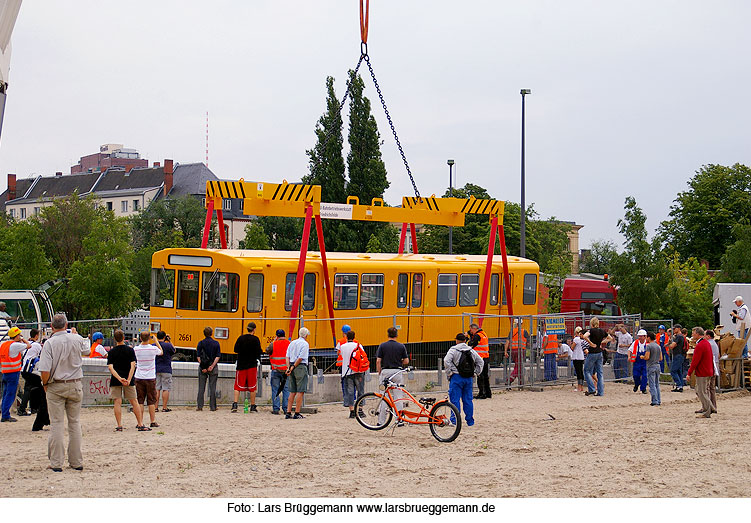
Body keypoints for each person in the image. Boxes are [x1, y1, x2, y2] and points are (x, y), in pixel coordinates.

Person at [38, 313, 90, 472]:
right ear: (66, 325)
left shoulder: (50, 343)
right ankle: (76, 461)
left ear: (52, 327)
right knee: (74, 423)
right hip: (75, 384)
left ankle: (56, 462)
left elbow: (45, 369)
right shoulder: (76, 339)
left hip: (56, 385)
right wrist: (76, 335)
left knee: (57, 424)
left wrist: (45, 384)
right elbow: (87, 351)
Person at [107, 329, 145, 431]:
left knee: (117, 401)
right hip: (129, 379)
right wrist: (128, 379)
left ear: (115, 339)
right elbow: (133, 365)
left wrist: (119, 378)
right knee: (134, 401)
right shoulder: (130, 350)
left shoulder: (111, 352)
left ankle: (119, 425)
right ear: (124, 338)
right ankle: (140, 423)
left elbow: (110, 367)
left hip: (116, 380)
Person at [444, 333, 484, 427]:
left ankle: (455, 421)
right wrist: (476, 373)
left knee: (455, 400)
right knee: (468, 400)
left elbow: (446, 361)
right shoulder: (471, 350)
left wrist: (449, 373)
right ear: (465, 340)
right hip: (468, 378)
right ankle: (470, 421)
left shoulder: (453, 350)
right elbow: (480, 361)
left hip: (456, 377)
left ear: (456, 340)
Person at [376, 327, 409, 425]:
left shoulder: (382, 346)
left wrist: (380, 372)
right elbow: (406, 361)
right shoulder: (401, 346)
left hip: (386, 371)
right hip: (397, 372)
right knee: (398, 396)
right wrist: (400, 361)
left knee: (384, 396)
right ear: (397, 335)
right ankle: (399, 420)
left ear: (388, 335)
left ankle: (381, 421)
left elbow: (378, 361)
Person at [133, 331, 163, 428]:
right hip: (150, 377)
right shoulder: (153, 348)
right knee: (151, 400)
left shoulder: (136, 349)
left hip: (139, 376)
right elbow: (161, 352)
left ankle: (140, 421)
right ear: (149, 338)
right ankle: (152, 420)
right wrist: (156, 341)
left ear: (140, 338)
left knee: (140, 400)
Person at [232, 322, 262, 413]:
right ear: (254, 330)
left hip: (241, 365)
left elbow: (235, 349)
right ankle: (252, 405)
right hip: (252, 365)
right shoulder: (256, 339)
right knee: (252, 386)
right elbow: (259, 352)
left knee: (238, 386)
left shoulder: (241, 338)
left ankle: (235, 404)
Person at [1, 326, 30, 422]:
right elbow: (29, 346)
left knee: (5, 394)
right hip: (13, 372)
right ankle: (5, 415)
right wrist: (23, 339)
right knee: (10, 394)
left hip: (5, 372)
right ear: (16, 336)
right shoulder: (15, 345)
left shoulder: (4, 344)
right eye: (19, 335)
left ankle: (4, 411)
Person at [687, 327, 714, 418]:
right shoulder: (706, 343)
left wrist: (689, 373)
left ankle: (707, 411)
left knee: (702, 392)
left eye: (693, 333)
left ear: (698, 334)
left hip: (702, 372)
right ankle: (709, 407)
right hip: (708, 370)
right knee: (701, 390)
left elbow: (695, 361)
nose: (692, 335)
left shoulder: (700, 345)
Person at [582, 317, 612, 397]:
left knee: (587, 371)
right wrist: (602, 342)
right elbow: (610, 338)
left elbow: (584, 336)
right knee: (600, 373)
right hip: (600, 352)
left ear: (591, 324)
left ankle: (592, 389)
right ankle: (600, 392)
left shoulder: (591, 331)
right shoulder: (602, 331)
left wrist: (590, 343)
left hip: (592, 352)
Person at [339, 330, 366, 418]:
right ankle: (360, 410)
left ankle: (351, 411)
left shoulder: (342, 346)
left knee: (350, 392)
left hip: (347, 372)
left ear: (346, 337)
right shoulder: (358, 345)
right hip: (358, 371)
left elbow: (342, 355)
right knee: (360, 391)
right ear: (354, 337)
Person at [285, 327, 310, 419]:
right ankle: (297, 412)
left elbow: (287, 356)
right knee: (300, 391)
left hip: (291, 365)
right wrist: (293, 367)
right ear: (306, 335)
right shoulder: (305, 344)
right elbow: (300, 358)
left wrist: (288, 368)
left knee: (292, 391)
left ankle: (288, 412)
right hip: (300, 367)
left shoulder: (292, 343)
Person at [18, 328, 43, 417]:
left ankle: (31, 407)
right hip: (31, 370)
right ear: (36, 336)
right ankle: (24, 408)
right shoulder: (37, 345)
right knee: (32, 388)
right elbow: (41, 354)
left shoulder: (27, 344)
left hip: (24, 369)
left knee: (30, 387)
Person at [196, 326, 221, 412]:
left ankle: (200, 406)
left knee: (201, 387)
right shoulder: (216, 343)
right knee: (212, 387)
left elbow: (198, 357)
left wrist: (203, 367)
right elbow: (218, 356)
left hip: (202, 368)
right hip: (212, 368)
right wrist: (212, 366)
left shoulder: (200, 343)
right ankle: (213, 407)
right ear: (212, 333)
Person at [266, 329, 290, 415]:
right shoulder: (289, 343)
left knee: (275, 390)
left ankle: (276, 409)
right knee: (286, 390)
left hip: (276, 370)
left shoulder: (273, 344)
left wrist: (273, 341)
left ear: (277, 336)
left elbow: (267, 350)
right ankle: (286, 409)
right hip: (286, 371)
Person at [467, 323, 491, 398]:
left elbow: (471, 344)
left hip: (480, 358)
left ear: (474, 329)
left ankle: (482, 393)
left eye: (471, 330)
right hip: (486, 357)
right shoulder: (483, 334)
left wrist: (468, 338)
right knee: (486, 376)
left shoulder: (477, 336)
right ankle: (488, 393)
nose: (470, 332)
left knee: (480, 376)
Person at [154, 331, 175, 413]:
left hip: (156, 368)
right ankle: (164, 407)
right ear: (164, 337)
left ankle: (155, 407)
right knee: (166, 388)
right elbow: (174, 350)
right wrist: (169, 340)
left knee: (157, 388)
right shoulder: (168, 345)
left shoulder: (154, 345)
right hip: (166, 369)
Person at [506, 320, 529, 386]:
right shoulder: (524, 331)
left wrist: (505, 351)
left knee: (519, 366)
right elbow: (528, 342)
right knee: (518, 367)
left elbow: (507, 341)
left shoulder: (512, 331)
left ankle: (521, 383)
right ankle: (509, 380)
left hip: (513, 351)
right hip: (521, 351)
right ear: (521, 324)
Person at [643, 332, 662, 406]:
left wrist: (643, 357)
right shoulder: (658, 346)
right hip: (657, 365)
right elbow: (660, 358)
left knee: (652, 384)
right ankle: (659, 400)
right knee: (657, 384)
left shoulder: (649, 346)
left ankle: (655, 400)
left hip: (651, 366)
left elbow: (647, 357)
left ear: (649, 338)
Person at [704, 330, 719, 415]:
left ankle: (709, 406)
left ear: (708, 336)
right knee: (712, 388)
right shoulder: (715, 344)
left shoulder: (709, 344)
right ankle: (713, 405)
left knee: (707, 388)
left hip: (711, 366)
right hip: (715, 365)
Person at [629, 329, 648, 394]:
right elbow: (630, 350)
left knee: (645, 375)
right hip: (637, 361)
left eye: (641, 336)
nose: (639, 337)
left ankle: (643, 388)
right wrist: (629, 356)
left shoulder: (648, 343)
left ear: (645, 336)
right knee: (636, 375)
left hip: (645, 362)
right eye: (639, 336)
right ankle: (637, 384)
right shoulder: (635, 342)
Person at [668, 324, 686, 392]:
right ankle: (680, 386)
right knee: (679, 371)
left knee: (673, 370)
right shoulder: (680, 337)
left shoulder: (679, 336)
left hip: (678, 355)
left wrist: (670, 344)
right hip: (680, 355)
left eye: (674, 328)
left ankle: (678, 384)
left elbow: (672, 346)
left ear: (678, 328)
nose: (673, 330)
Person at [571, 327, 586, 392]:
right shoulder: (583, 339)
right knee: (581, 371)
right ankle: (581, 386)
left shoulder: (576, 339)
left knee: (578, 372)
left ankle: (579, 387)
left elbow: (572, 347)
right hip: (581, 356)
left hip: (576, 357)